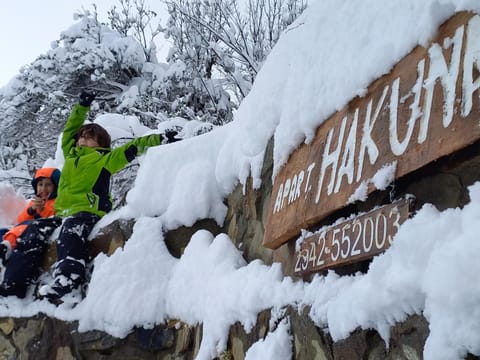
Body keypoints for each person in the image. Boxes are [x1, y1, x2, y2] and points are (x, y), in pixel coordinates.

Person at [34, 90, 180, 303]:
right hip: (63, 213)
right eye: (82, 136)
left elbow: (131, 148)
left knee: (71, 234)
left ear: (101, 143)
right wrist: (82, 107)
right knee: (36, 230)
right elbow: (69, 132)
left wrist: (159, 137)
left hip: (87, 212)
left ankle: (70, 281)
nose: (82, 139)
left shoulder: (104, 159)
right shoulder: (71, 155)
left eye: (90, 137)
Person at [0, 167, 61, 298]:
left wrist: (43, 211)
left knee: (26, 228)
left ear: (56, 186)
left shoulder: (57, 201)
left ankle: (7, 247)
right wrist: (31, 211)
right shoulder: (34, 202)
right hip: (23, 229)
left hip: (39, 229)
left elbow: (54, 218)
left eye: (48, 185)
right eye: (40, 185)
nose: (43, 189)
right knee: (5, 231)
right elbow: (20, 220)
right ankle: (5, 246)